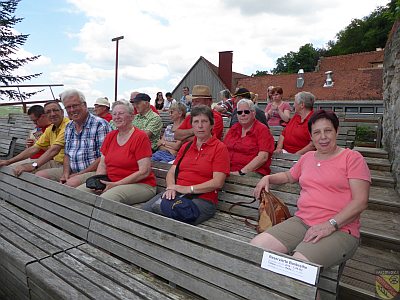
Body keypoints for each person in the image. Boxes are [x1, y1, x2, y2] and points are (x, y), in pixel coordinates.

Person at [251, 110, 371, 268]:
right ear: (311, 136)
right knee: (254, 250)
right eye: (317, 132)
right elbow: (288, 176)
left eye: (328, 130)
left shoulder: (352, 158)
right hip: (302, 222)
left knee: (298, 268)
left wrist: (329, 225)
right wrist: (268, 178)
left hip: (340, 229)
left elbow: (360, 202)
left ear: (337, 131)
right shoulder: (307, 158)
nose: (323, 137)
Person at [142, 105, 230, 225]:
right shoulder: (186, 147)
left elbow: (217, 182)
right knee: (143, 212)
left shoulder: (219, 148)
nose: (200, 126)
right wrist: (171, 187)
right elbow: (172, 172)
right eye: (196, 122)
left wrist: (188, 189)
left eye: (204, 121)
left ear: (211, 125)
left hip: (202, 199)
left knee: (168, 220)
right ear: (192, 125)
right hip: (176, 193)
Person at [77, 100, 157, 204]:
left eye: (121, 113)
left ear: (131, 116)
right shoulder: (111, 136)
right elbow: (102, 163)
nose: (117, 117)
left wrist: (117, 184)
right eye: (114, 114)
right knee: (78, 194)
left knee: (104, 200)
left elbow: (144, 172)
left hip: (141, 184)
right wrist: (98, 181)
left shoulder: (140, 137)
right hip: (111, 181)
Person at [37, 89, 112, 187]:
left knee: (71, 183)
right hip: (72, 170)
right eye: (68, 107)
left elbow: (104, 157)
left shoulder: (100, 125)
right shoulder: (69, 126)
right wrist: (65, 173)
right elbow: (67, 154)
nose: (72, 110)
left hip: (95, 171)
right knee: (40, 176)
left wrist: (79, 174)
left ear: (84, 105)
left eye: (75, 105)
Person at [0, 101, 69, 176]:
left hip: (66, 165)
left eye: (55, 110)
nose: (52, 114)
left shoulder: (67, 126)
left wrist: (33, 166)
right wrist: (8, 161)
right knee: (12, 168)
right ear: (46, 115)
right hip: (55, 162)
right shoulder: (51, 128)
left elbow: (53, 150)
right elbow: (34, 148)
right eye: (48, 112)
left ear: (62, 112)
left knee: (38, 174)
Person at [224, 99, 274, 178]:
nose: (243, 114)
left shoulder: (262, 130)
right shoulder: (234, 128)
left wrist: (241, 172)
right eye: (239, 112)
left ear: (253, 113)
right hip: (229, 171)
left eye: (246, 112)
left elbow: (263, 157)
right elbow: (223, 149)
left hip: (251, 172)